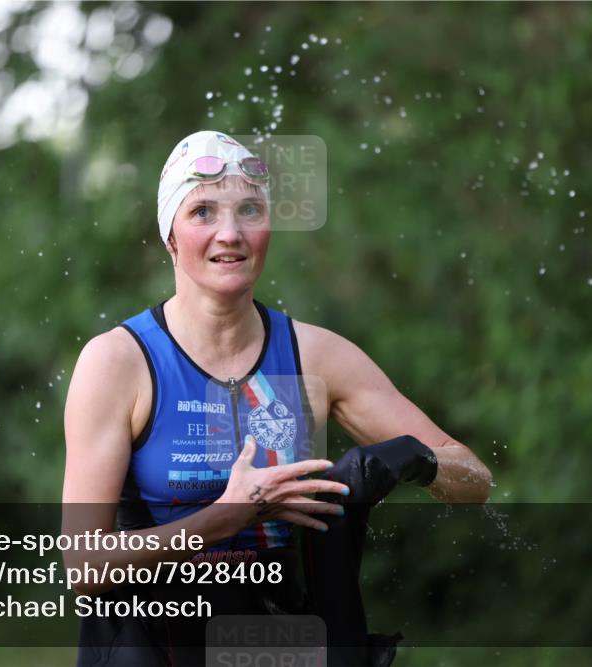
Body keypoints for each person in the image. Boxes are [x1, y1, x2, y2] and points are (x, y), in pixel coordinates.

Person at [62, 130, 493, 666]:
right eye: (202, 212)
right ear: (169, 235)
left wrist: (405, 459)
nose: (230, 233)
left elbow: (475, 481)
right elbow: (84, 566)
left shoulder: (316, 356)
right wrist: (224, 518)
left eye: (249, 210)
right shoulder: (119, 363)